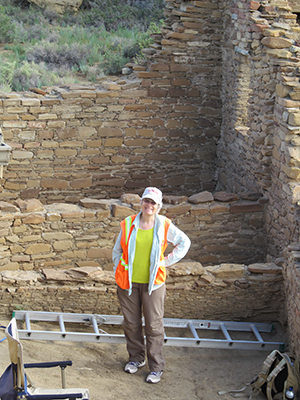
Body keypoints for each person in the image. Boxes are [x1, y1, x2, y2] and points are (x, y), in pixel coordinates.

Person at [112, 187, 191, 384]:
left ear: (159, 206)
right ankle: (136, 359)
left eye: (153, 203)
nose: (149, 205)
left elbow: (184, 242)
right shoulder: (129, 223)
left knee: (154, 325)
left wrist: (166, 261)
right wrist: (118, 269)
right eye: (146, 201)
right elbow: (117, 250)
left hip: (154, 284)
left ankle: (156, 367)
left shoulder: (164, 224)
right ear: (141, 203)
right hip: (128, 283)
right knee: (131, 323)